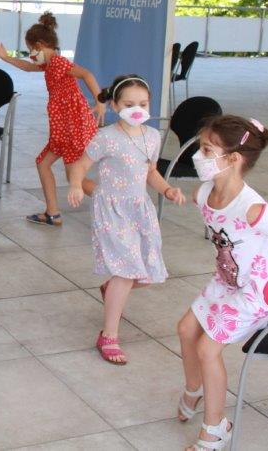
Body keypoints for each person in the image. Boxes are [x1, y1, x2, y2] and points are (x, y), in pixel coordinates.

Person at [175, 115, 268, 451]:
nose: (198, 156)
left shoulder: (254, 209)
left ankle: (216, 429)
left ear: (232, 159)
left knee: (207, 349)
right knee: (185, 329)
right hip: (228, 281)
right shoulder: (204, 193)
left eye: (206, 150)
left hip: (257, 291)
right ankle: (195, 388)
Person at [67, 75, 185, 364]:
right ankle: (109, 336)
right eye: (129, 104)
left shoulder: (152, 136)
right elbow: (80, 165)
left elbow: (150, 172)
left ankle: (111, 289)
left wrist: (167, 189)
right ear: (115, 105)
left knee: (146, 272)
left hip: (139, 209)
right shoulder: (106, 137)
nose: (137, 109)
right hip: (111, 210)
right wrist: (76, 185)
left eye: (143, 104)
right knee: (127, 272)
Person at [0, 12, 106, 226]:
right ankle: (52, 213)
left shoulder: (59, 63)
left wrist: (100, 101)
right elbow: (28, 67)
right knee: (43, 163)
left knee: (75, 179)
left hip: (72, 129)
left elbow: (87, 74)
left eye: (31, 50)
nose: (31, 55)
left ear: (41, 45)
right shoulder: (50, 63)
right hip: (62, 129)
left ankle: (117, 200)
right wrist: (6, 57)